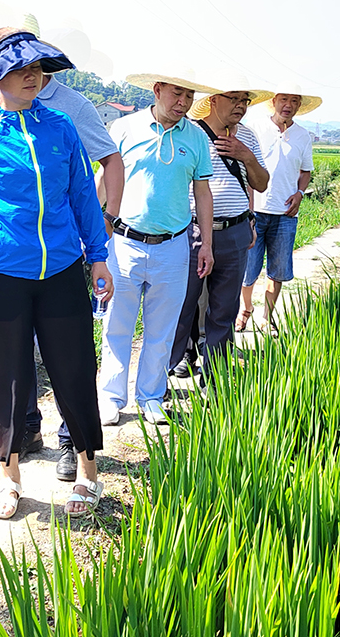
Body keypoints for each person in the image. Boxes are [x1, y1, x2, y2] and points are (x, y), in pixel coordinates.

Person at [0, 28, 113, 519]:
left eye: (38, 68)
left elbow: (82, 193)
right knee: (6, 376)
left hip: (61, 267)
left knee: (75, 367)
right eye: (20, 68)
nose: (32, 75)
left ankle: (86, 470)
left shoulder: (59, 126)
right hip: (0, 270)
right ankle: (9, 474)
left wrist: (97, 255)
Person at [98, 69, 220, 428]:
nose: (183, 103)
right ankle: (110, 397)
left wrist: (207, 245)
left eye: (189, 97)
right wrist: (94, 237)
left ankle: (150, 396)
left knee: (162, 328)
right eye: (176, 94)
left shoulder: (196, 138)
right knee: (116, 324)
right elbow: (104, 180)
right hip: (124, 242)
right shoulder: (124, 129)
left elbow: (202, 191)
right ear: (157, 90)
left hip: (173, 245)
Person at [169, 85, 270, 380]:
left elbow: (261, 184)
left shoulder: (247, 137)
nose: (240, 105)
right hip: (192, 231)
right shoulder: (191, 133)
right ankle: (164, 376)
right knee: (182, 304)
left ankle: (215, 376)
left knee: (224, 309)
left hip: (235, 230)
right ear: (213, 101)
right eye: (234, 99)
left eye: (245, 101)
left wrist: (246, 156)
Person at [239, 85, 321, 334]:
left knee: (278, 268)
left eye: (294, 101)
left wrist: (299, 194)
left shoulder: (303, 136)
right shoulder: (256, 129)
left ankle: (267, 316)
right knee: (247, 268)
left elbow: (305, 171)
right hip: (256, 211)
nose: (288, 105)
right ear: (274, 101)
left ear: (299, 106)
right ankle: (244, 310)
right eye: (284, 99)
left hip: (285, 214)